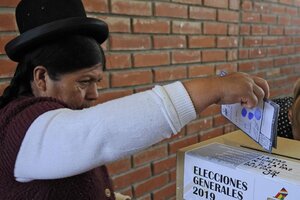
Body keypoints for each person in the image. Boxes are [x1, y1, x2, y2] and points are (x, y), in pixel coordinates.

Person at [0, 0, 269, 199]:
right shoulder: (20, 130)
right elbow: (98, 134)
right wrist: (214, 88)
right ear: (41, 78)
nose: (94, 94)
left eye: (97, 82)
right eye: (84, 82)